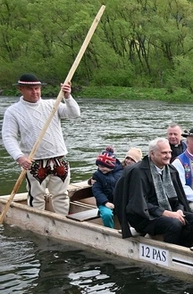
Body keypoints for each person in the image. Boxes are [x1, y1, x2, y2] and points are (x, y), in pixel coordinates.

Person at [1, 73, 81, 215]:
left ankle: (62, 224)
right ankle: (37, 225)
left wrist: (67, 97)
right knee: (36, 198)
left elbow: (74, 114)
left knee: (61, 196)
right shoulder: (13, 112)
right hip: (34, 162)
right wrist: (19, 157)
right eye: (30, 89)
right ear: (20, 89)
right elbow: (8, 137)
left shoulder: (52, 104)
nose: (35, 92)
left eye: (37, 88)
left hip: (59, 159)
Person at [114, 138, 193, 247]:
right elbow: (140, 204)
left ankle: (182, 247)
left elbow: (178, 198)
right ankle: (172, 253)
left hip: (169, 211)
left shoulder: (170, 170)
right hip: (145, 217)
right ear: (152, 153)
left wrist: (179, 210)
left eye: (169, 152)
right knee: (174, 223)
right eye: (164, 153)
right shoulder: (138, 172)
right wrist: (167, 213)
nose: (168, 156)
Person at [91, 147, 123, 228]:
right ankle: (109, 231)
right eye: (99, 166)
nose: (101, 169)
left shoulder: (121, 172)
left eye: (103, 166)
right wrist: (105, 202)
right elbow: (97, 191)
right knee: (107, 214)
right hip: (104, 203)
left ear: (111, 165)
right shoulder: (97, 176)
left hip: (119, 202)